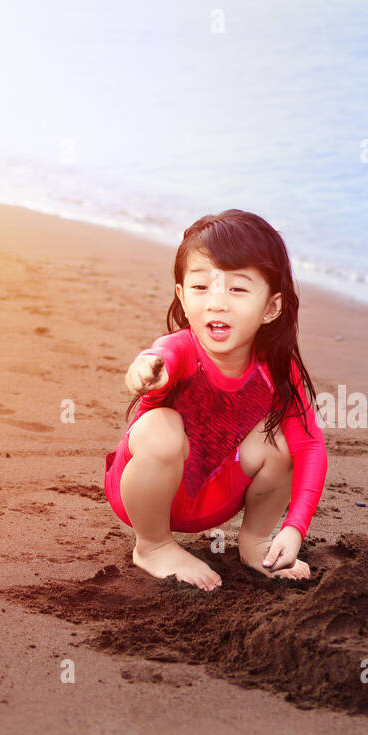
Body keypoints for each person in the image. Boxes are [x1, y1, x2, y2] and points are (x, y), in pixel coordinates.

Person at [103, 210, 327, 590]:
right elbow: (155, 360)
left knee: (281, 441)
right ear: (181, 295)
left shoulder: (277, 369)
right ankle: (153, 546)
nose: (217, 302)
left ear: (271, 307)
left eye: (237, 289)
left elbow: (311, 447)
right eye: (201, 287)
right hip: (144, 494)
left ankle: (255, 542)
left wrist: (295, 527)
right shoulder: (178, 351)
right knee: (160, 426)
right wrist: (142, 373)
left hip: (213, 500)